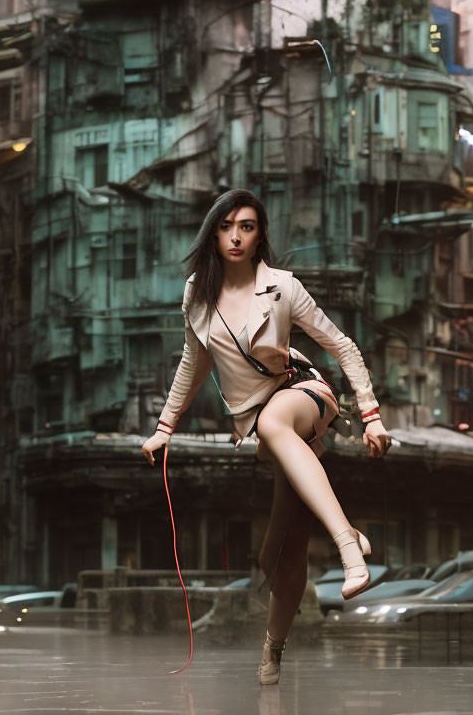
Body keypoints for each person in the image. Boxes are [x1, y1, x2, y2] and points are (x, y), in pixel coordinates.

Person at [142, 188, 391, 684]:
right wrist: (164, 427)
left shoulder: (282, 286)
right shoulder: (198, 294)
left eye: (248, 227)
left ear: (260, 237)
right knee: (278, 551)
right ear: (213, 232)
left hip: (303, 396)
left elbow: (341, 345)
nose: (236, 236)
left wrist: (372, 415)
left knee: (277, 421)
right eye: (226, 226)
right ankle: (274, 647)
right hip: (260, 425)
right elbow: (193, 364)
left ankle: (347, 547)